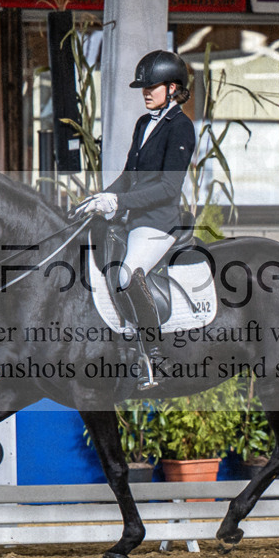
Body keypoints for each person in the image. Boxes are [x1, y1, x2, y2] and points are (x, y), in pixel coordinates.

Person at [75, 50, 196, 388]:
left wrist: (120, 201)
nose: (145, 91)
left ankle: (154, 355)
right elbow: (129, 175)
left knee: (128, 275)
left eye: (152, 86)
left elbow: (169, 187)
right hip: (133, 219)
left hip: (159, 223)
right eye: (143, 86)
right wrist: (99, 199)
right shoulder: (144, 123)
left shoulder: (182, 128)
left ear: (173, 88)